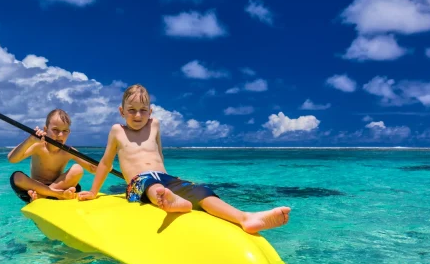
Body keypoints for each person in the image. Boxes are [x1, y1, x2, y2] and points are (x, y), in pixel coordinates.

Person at [77, 85, 291, 234]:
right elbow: (106, 163)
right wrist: (94, 191)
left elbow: (159, 156)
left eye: (143, 110)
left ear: (150, 111)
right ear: (121, 111)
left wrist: (172, 180)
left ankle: (245, 218)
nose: (137, 115)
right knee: (151, 185)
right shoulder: (117, 130)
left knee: (200, 190)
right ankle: (167, 200)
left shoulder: (155, 125)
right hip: (137, 183)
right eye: (131, 110)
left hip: (164, 178)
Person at [7, 108, 96, 203]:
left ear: (69, 132)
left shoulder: (69, 151)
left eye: (65, 131)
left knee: (78, 169)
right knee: (16, 177)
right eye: (55, 130)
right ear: (45, 129)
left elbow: (92, 169)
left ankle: (43, 196)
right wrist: (30, 140)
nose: (60, 135)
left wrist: (105, 164)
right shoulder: (38, 146)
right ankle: (56, 194)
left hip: (57, 186)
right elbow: (12, 159)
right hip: (37, 188)